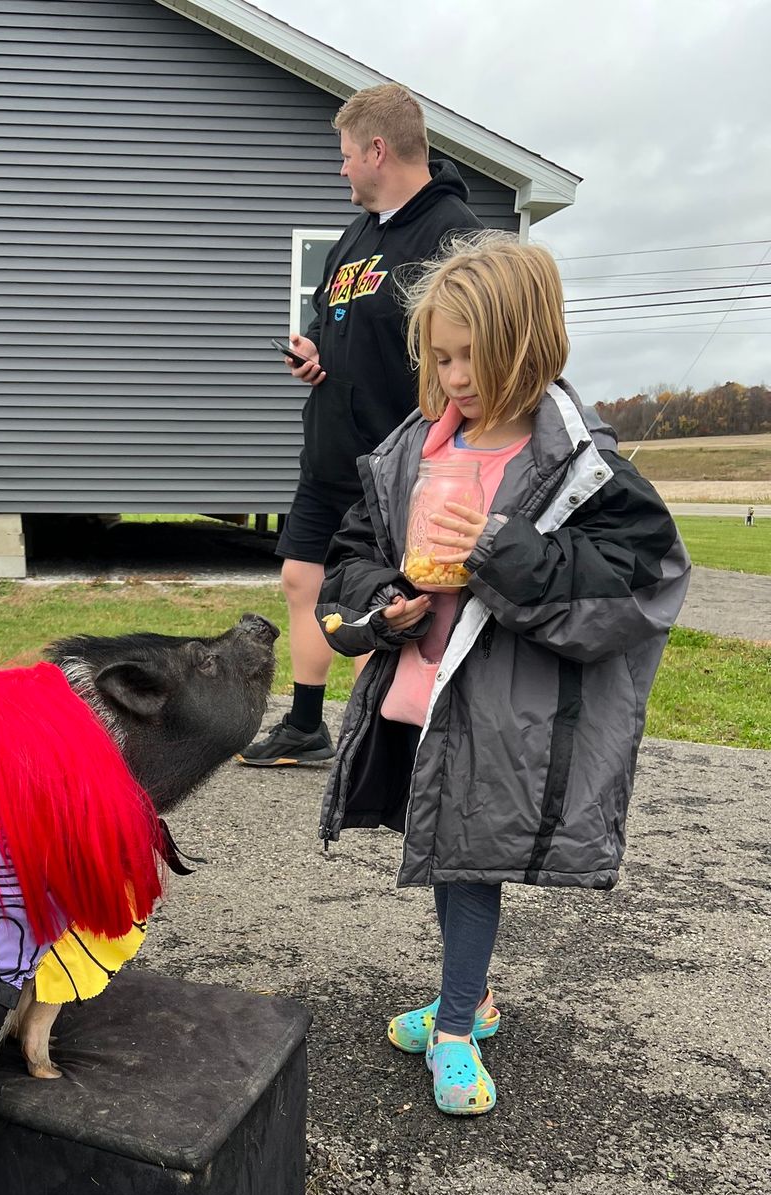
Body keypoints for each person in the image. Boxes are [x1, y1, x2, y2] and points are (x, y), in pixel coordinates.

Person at [315, 234, 690, 1116]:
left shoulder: (578, 466)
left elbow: (636, 574)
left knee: (468, 862)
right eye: (441, 357)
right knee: (445, 854)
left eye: (474, 357)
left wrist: (501, 551)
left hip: (504, 709)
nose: (455, 376)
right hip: (419, 692)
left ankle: (455, 1028)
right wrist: (384, 602)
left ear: (530, 343)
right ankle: (472, 999)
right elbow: (356, 553)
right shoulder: (412, 449)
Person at [238, 83, 479, 767]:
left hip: (397, 466)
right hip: (330, 455)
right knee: (301, 579)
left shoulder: (451, 235)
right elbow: (332, 318)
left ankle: (398, 736)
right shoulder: (358, 235)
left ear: (378, 149)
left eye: (346, 155)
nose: (340, 168)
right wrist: (314, 351)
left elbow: (471, 350)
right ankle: (308, 725)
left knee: (394, 603)